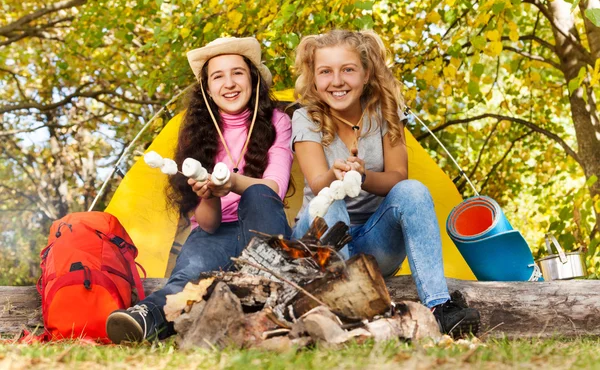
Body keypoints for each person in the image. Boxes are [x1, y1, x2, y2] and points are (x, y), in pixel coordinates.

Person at [290, 30, 480, 337]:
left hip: (373, 244)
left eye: (348, 69)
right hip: (318, 242)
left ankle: (440, 308)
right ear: (313, 79)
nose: (337, 81)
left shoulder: (384, 112)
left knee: (413, 191)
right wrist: (335, 173)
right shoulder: (304, 118)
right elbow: (316, 181)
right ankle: (347, 310)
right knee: (332, 201)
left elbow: (397, 177)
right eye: (325, 72)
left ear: (365, 75)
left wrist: (363, 177)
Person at [106, 37, 293, 343]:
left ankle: (267, 316)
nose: (229, 83)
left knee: (258, 195)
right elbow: (207, 223)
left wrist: (231, 183)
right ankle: (144, 318)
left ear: (253, 78)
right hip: (215, 232)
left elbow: (274, 189)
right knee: (189, 278)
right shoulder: (195, 131)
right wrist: (207, 195)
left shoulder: (278, 121)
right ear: (207, 88)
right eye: (218, 76)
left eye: (238, 73)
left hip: (264, 228)